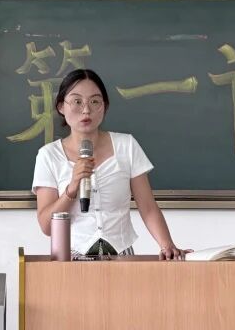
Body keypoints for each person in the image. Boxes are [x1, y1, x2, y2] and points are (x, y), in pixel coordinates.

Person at [33, 68, 190, 260]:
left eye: (95, 101)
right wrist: (72, 188)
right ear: (61, 107)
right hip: (71, 258)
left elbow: (148, 207)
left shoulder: (127, 145)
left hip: (122, 257)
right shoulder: (48, 155)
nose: (86, 110)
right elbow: (46, 226)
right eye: (77, 101)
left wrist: (167, 245)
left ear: (105, 106)